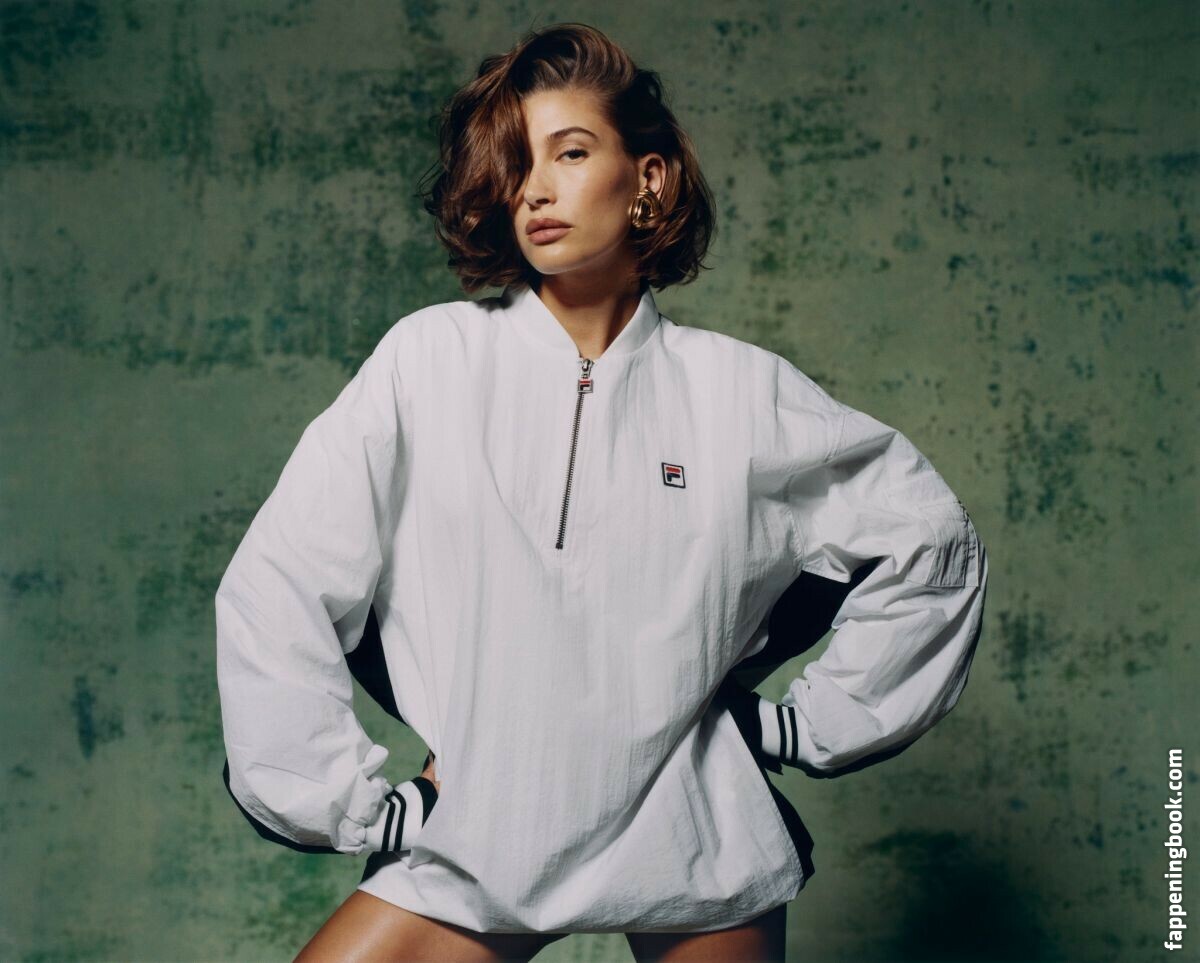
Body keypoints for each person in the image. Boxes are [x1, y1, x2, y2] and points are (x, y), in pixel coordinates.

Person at [214, 21, 989, 962]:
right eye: (516, 163)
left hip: (691, 832)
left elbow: (927, 542)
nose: (535, 188)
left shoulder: (741, 393)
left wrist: (800, 727)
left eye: (570, 152)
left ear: (648, 178)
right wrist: (358, 805)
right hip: (483, 829)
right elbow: (279, 582)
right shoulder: (429, 362)